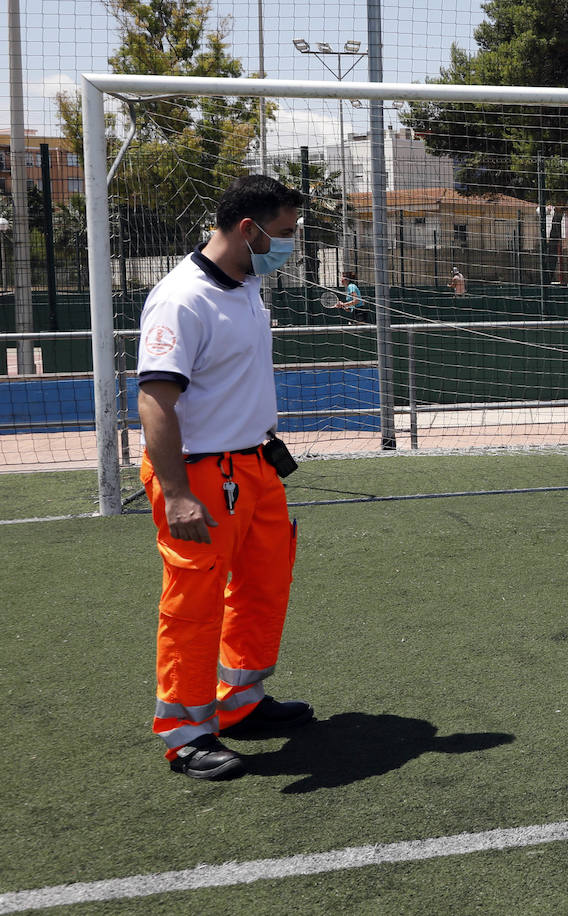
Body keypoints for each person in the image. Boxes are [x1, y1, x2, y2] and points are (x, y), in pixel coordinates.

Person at [137, 174, 315, 781]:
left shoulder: (246, 284)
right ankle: (185, 733)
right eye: (285, 233)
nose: (289, 245)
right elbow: (156, 400)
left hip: (255, 465)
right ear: (249, 229)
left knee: (264, 586)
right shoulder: (181, 298)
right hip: (200, 475)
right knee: (194, 605)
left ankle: (239, 702)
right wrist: (179, 493)